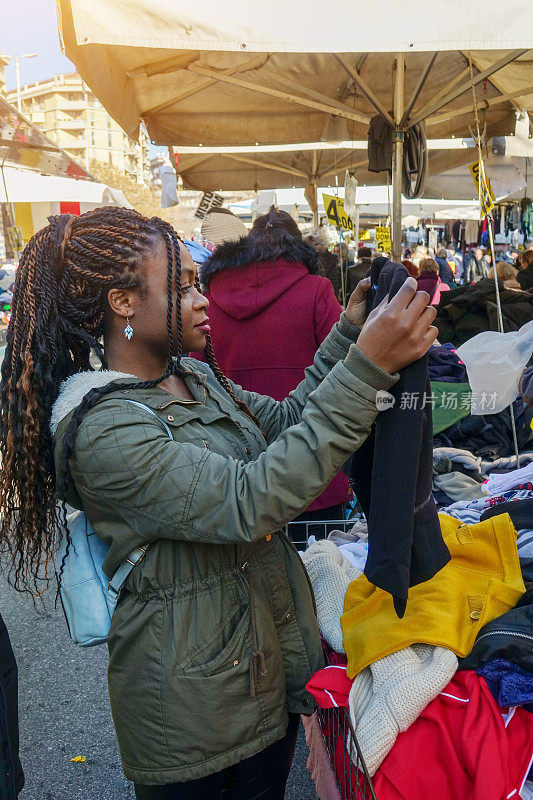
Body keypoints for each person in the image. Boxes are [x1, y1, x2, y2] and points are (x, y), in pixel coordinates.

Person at [0, 207, 437, 800]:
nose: (202, 299)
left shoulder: (193, 377)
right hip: (191, 719)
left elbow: (282, 424)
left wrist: (347, 340)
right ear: (122, 303)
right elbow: (250, 499)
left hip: (260, 676)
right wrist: (368, 367)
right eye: (180, 286)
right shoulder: (103, 429)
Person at [190, 207, 351, 524]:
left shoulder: (208, 298)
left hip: (238, 475)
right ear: (299, 248)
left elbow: (196, 381)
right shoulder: (317, 290)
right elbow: (346, 368)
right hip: (313, 463)